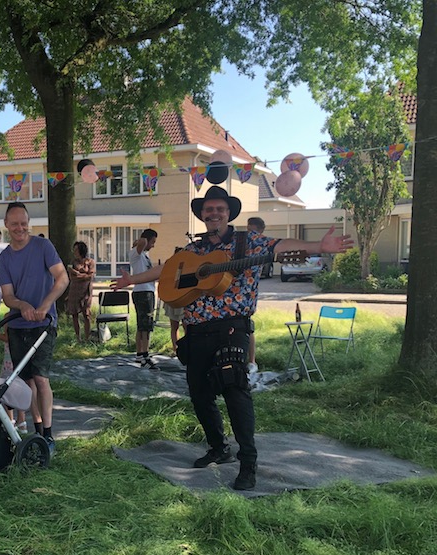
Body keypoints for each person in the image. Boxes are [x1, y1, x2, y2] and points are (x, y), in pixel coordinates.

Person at [112, 186, 353, 490]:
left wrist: (319, 244)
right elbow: (167, 272)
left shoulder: (248, 242)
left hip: (231, 328)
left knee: (235, 390)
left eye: (220, 209)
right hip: (196, 330)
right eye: (208, 210)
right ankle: (218, 447)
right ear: (201, 214)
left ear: (228, 214)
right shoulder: (193, 250)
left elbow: (280, 245)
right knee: (199, 394)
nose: (214, 214)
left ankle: (248, 462)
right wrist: (130, 280)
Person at [0, 202, 69, 454]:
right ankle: (37, 428)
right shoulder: (5, 257)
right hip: (18, 325)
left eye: (23, 223)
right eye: (14, 223)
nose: (20, 228)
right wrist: (22, 305)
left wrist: (45, 304)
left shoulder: (43, 247)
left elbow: (62, 278)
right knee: (26, 380)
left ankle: (48, 434)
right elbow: (8, 296)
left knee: (41, 377)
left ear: (29, 223)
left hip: (44, 323)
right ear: (6, 225)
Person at [129, 229, 159, 369]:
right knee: (145, 326)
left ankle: (140, 354)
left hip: (147, 291)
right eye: (152, 241)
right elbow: (142, 241)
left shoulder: (145, 256)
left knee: (143, 325)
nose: (153, 245)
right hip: (143, 292)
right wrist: (138, 241)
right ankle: (145, 355)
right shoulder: (136, 253)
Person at [246, 217, 267, 373]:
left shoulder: (261, 246)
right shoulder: (242, 244)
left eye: (251, 230)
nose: (249, 233)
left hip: (248, 294)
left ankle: (252, 361)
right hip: (230, 294)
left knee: (248, 327)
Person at [66, 241, 96, 343]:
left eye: (76, 250)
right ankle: (78, 338)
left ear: (81, 250)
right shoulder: (73, 262)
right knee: (74, 314)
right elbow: (72, 278)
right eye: (73, 250)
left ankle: (87, 337)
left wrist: (77, 273)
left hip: (86, 291)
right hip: (74, 291)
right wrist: (82, 276)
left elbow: (90, 276)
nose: (74, 252)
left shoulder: (90, 262)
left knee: (86, 314)